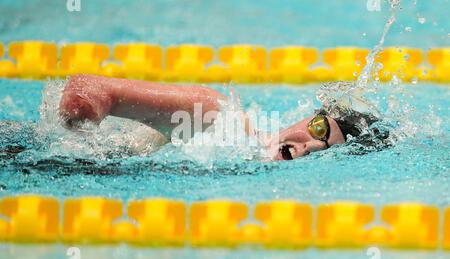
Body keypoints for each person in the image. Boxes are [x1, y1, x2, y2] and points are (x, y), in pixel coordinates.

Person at [59, 74, 389, 161]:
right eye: (319, 129)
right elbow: (88, 90)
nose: (309, 148)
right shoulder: (217, 116)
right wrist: (76, 154)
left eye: (327, 152)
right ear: (309, 117)